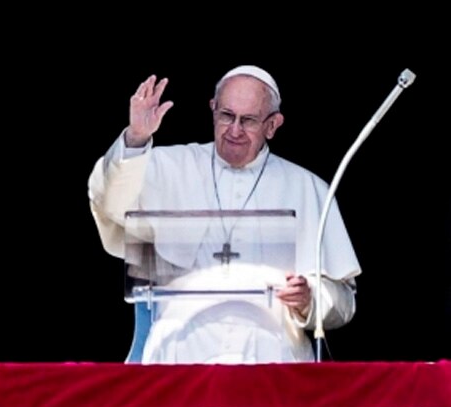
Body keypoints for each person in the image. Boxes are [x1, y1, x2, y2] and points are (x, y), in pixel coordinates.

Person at [88, 66, 360, 364]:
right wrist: (136, 138)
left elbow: (342, 301)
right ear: (212, 109)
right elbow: (109, 203)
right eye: (226, 116)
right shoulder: (165, 167)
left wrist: (310, 298)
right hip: (177, 355)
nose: (234, 130)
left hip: (272, 358)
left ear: (273, 125)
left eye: (249, 120)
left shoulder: (308, 188)